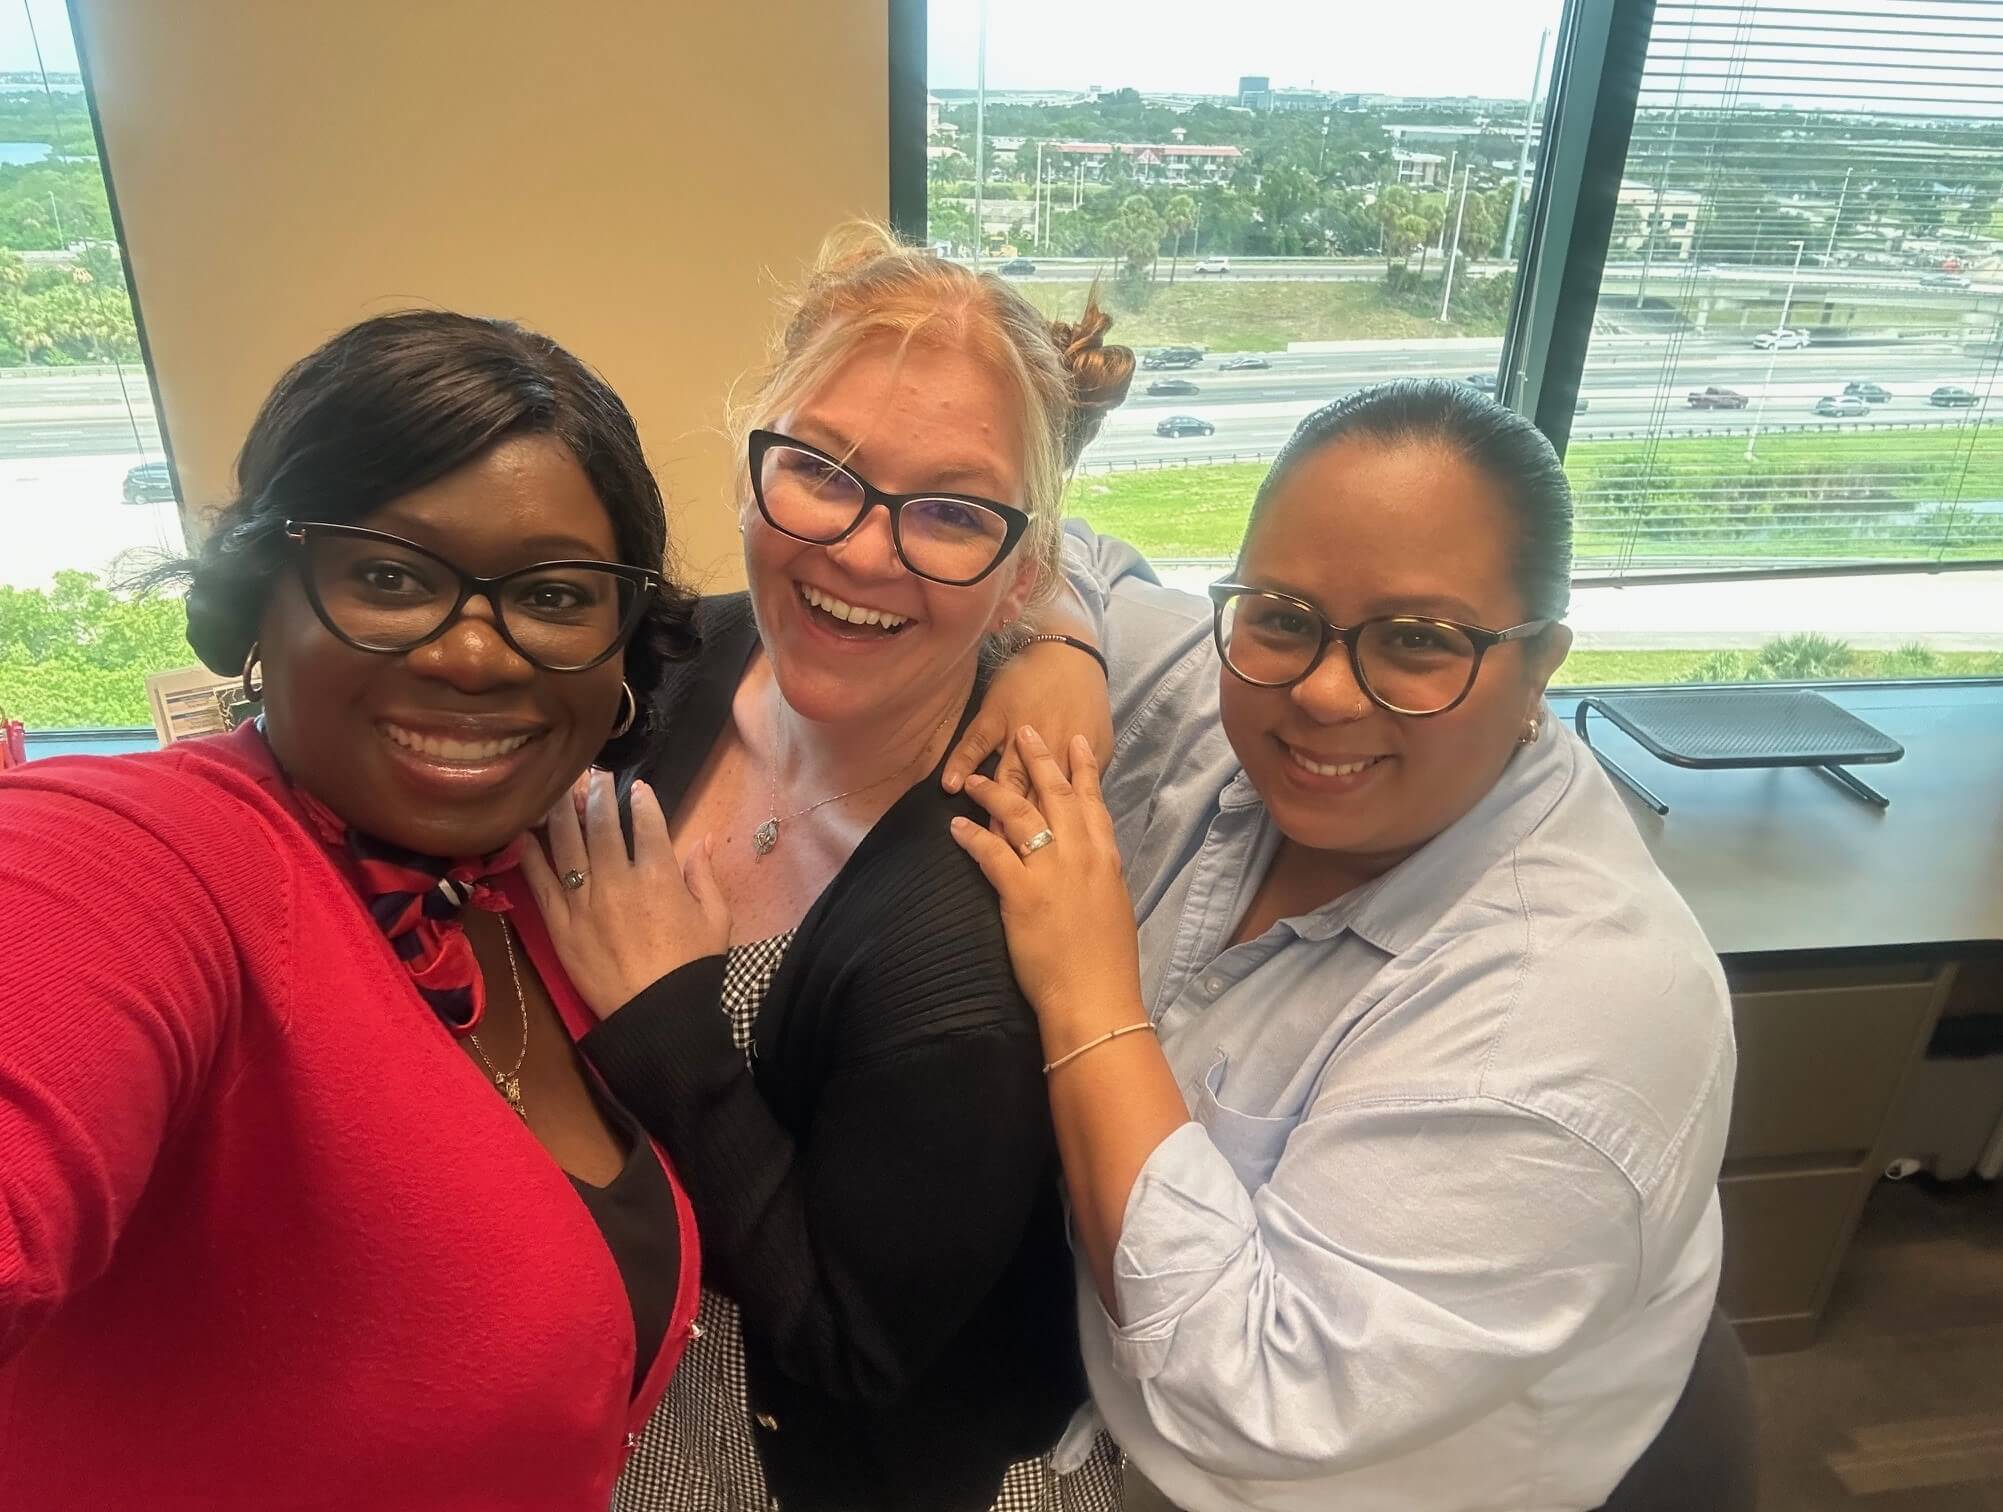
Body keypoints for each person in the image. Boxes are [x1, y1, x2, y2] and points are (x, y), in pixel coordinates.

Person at [946, 379, 1738, 1511]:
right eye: (1281, 615)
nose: (1320, 691)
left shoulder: (1576, 1013)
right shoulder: (1223, 708)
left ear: (1541, 664)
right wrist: (1064, 644)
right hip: (1082, 1368)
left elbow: (1252, 1393)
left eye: (1418, 640)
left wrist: (1085, 991)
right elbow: (1080, 550)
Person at [0, 312, 705, 1509]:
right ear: (254, 602)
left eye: (550, 594)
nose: (476, 656)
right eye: (389, 577)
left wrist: (1056, 650)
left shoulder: (544, 884)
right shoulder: (139, 857)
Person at [522, 224, 1134, 1512]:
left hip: (822, 1462)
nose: (861, 552)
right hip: (608, 1382)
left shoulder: (970, 932)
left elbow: (854, 1346)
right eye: (820, 471)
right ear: (755, 472)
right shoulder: (673, 663)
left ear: (1025, 569)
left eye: (953, 511)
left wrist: (665, 1028)